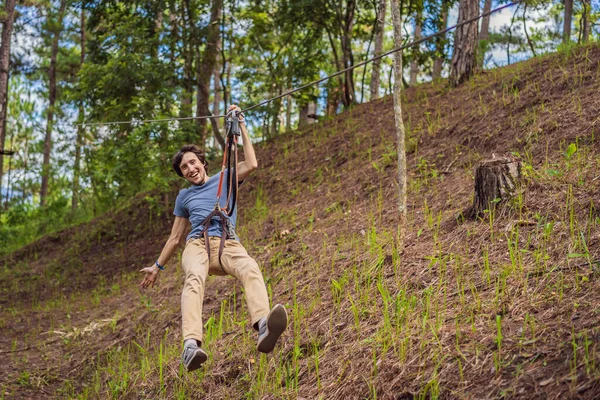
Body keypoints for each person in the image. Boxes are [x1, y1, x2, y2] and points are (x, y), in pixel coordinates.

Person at [139, 105, 287, 372]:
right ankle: (190, 345)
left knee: (250, 268)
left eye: (193, 162)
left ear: (202, 162)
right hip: (197, 244)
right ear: (182, 173)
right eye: (184, 167)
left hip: (228, 243)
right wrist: (157, 267)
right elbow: (175, 238)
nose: (190, 168)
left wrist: (241, 124)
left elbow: (252, 164)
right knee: (194, 278)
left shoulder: (226, 178)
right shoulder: (184, 197)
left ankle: (263, 325)